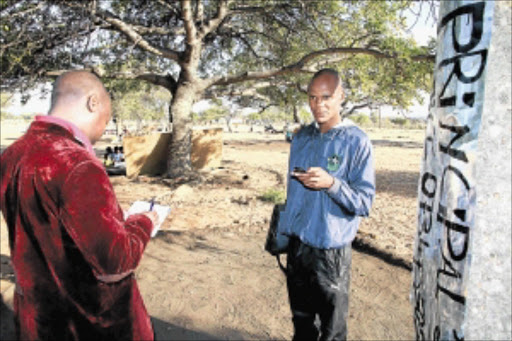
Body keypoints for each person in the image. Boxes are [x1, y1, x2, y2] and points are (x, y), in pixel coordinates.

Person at [0, 71, 158, 340]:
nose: (106, 126)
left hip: (36, 320)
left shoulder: (13, 154)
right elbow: (116, 260)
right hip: (86, 323)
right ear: (93, 102)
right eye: (107, 116)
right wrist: (145, 221)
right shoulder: (78, 163)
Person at [277, 68, 375, 341]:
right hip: (297, 246)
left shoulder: (357, 141)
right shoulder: (302, 137)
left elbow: (364, 202)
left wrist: (332, 184)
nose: (318, 105)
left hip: (330, 252)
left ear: (341, 96)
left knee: (332, 331)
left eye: (326, 97)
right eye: (312, 98)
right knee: (302, 322)